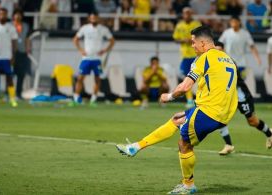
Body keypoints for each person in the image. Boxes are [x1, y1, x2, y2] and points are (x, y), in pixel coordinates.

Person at [116, 26, 238, 194]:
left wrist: (169, 96)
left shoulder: (203, 59)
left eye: (194, 42)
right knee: (177, 119)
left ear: (203, 43)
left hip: (209, 111)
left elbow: (185, 86)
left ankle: (188, 185)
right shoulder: (228, 59)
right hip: (223, 113)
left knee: (184, 144)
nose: (192, 46)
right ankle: (135, 147)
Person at [214, 41, 272, 155]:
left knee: (252, 121)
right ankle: (228, 145)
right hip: (227, 97)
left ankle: (269, 134)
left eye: (220, 50)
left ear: (224, 50)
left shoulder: (229, 62)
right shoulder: (213, 64)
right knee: (220, 118)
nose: (218, 53)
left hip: (241, 96)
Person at [71, 12, 115, 107]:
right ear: (89, 19)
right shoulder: (85, 28)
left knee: (97, 79)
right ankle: (76, 98)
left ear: (98, 18)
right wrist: (81, 50)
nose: (94, 19)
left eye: (95, 18)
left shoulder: (103, 29)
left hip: (97, 59)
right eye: (92, 18)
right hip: (86, 58)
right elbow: (75, 39)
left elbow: (112, 41)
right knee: (80, 78)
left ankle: (93, 100)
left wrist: (105, 50)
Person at [172, 7, 201, 108]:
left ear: (191, 14)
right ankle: (189, 100)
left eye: (189, 13)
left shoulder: (197, 25)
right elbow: (175, 39)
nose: (187, 15)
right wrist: (183, 41)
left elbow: (202, 37)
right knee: (186, 78)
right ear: (183, 14)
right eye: (185, 13)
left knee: (198, 78)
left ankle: (200, 99)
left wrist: (193, 41)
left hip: (196, 55)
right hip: (185, 56)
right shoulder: (179, 25)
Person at [12, 9, 31, 99]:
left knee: (21, 74)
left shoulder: (25, 26)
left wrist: (28, 48)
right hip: (12, 53)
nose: (18, 16)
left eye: (19, 15)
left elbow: (27, 38)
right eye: (16, 15)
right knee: (11, 74)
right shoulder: (10, 26)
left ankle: (18, 93)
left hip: (22, 52)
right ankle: (10, 93)